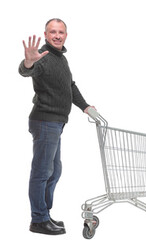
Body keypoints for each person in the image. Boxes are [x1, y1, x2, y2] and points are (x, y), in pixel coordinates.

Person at [18, 18, 96, 236]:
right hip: (44, 121)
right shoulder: (42, 56)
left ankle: (44, 212)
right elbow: (25, 70)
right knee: (42, 172)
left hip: (56, 122)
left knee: (55, 170)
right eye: (53, 32)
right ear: (45, 34)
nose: (57, 35)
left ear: (66, 35)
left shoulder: (61, 59)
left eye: (61, 32)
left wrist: (85, 106)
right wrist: (28, 63)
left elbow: (70, 85)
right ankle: (39, 219)